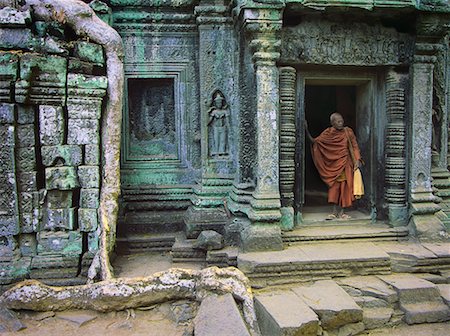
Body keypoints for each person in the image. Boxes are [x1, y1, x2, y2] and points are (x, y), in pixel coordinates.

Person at [305, 112, 362, 219]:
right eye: (338, 121)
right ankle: (334, 212)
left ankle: (342, 212)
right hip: (333, 166)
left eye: (341, 120)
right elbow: (315, 141)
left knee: (345, 188)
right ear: (332, 123)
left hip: (345, 164)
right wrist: (306, 130)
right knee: (334, 189)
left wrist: (357, 159)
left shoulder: (348, 132)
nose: (341, 123)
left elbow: (354, 146)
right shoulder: (328, 133)